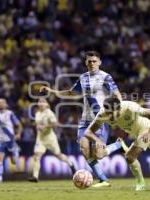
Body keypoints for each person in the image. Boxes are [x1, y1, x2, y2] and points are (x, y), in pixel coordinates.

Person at [40, 51, 123, 187]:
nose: (91, 63)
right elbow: (70, 92)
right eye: (89, 61)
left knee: (98, 154)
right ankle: (103, 179)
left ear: (99, 62)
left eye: (94, 61)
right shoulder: (83, 77)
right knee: (85, 150)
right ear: (85, 63)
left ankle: (119, 145)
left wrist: (118, 110)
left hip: (100, 120)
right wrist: (52, 91)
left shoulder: (105, 77)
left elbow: (117, 94)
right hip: (85, 120)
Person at [28, 98, 76, 182]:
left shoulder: (49, 113)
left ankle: (70, 163)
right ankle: (35, 177)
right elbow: (37, 124)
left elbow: (55, 124)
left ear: (46, 104)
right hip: (40, 138)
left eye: (43, 102)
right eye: (40, 102)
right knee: (37, 156)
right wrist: (37, 127)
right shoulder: (37, 113)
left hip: (50, 138)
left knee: (58, 155)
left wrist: (44, 126)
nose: (41, 103)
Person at [0, 98, 23, 184]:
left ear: (6, 105)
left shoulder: (10, 114)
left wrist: (19, 134)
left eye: (3, 102)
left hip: (10, 140)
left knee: (13, 161)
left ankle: (15, 151)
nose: (1, 104)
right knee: (0, 161)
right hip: (0, 140)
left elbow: (19, 125)